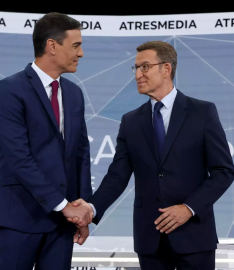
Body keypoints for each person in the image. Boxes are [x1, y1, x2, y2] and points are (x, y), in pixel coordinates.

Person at [68, 41, 234, 269]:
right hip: (150, 240)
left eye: (144, 67)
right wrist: (91, 208)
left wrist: (188, 208)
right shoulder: (130, 121)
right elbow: (117, 176)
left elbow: (223, 171)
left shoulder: (202, 112)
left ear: (166, 69)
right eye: (135, 68)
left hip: (194, 236)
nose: (137, 74)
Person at [0, 12, 94, 270]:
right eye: (76, 45)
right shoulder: (9, 89)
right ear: (52, 46)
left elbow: (80, 154)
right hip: (18, 219)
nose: (81, 53)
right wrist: (63, 205)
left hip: (62, 223)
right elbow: (18, 158)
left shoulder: (74, 93)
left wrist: (81, 210)